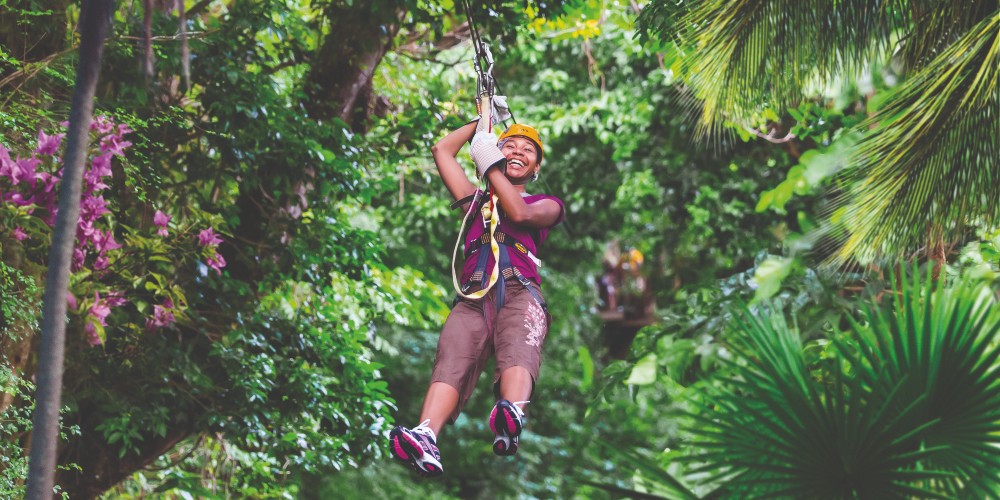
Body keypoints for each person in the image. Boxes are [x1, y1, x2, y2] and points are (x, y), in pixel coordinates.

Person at [388, 100, 565, 477]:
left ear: (534, 169)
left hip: (520, 292)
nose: (517, 152)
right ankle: (426, 435)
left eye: (527, 151)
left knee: (519, 347)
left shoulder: (546, 205)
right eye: (510, 146)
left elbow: (518, 213)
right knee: (451, 360)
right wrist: (480, 123)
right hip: (472, 296)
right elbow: (442, 150)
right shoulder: (474, 203)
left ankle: (512, 412)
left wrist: (490, 159)